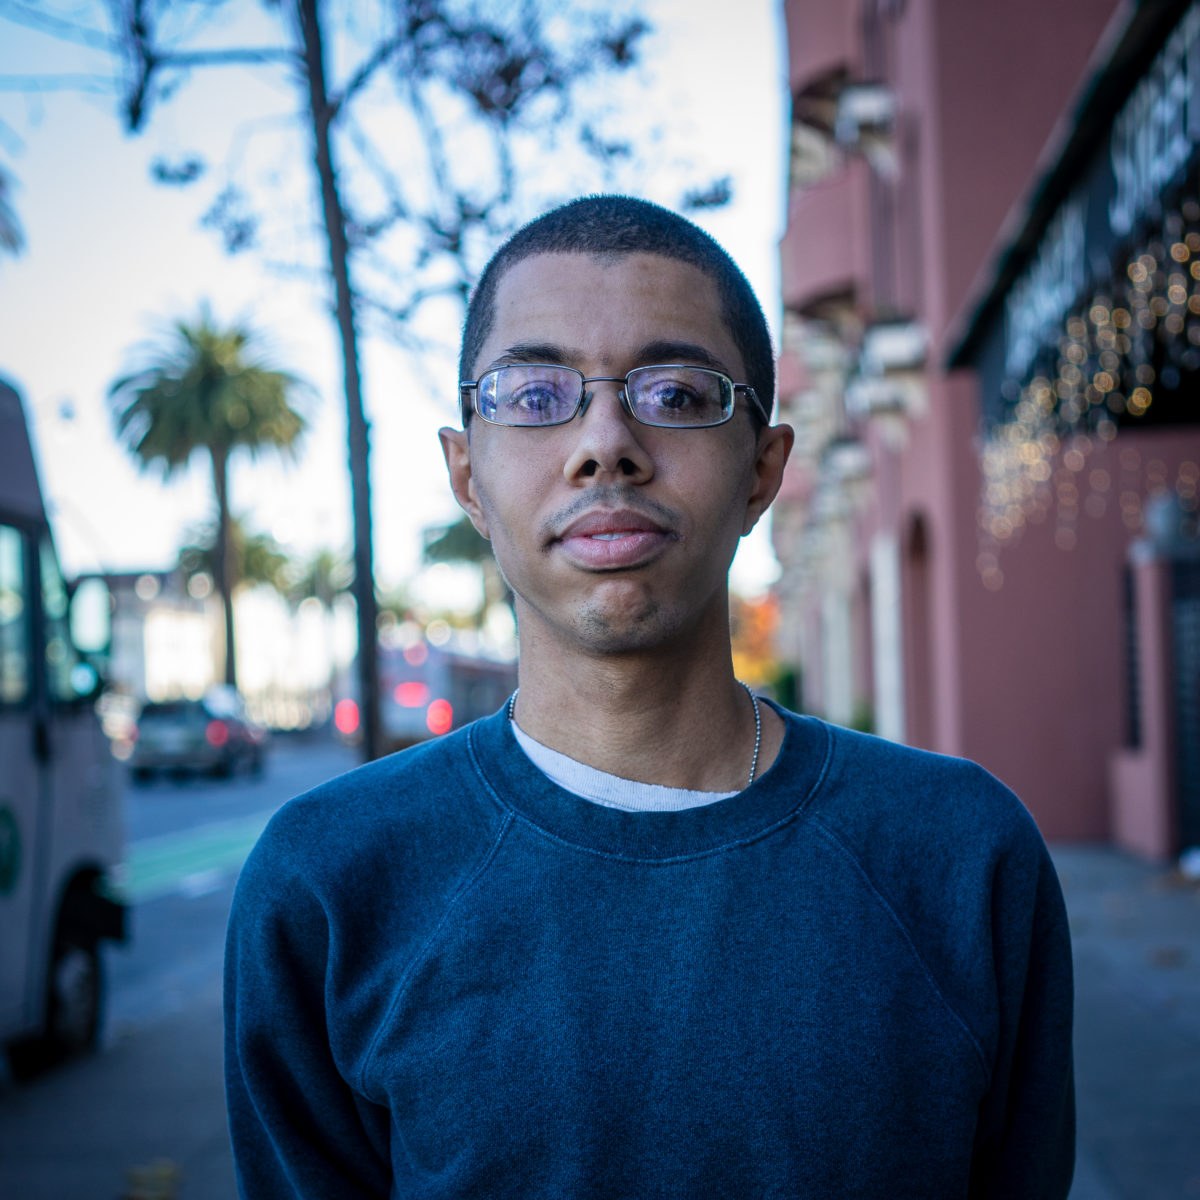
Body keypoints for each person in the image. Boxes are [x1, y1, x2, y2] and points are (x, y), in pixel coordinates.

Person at [225, 195, 1075, 1198]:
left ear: (763, 471)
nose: (606, 443)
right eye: (536, 394)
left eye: (675, 394)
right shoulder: (326, 886)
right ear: (468, 475)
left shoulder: (963, 855)